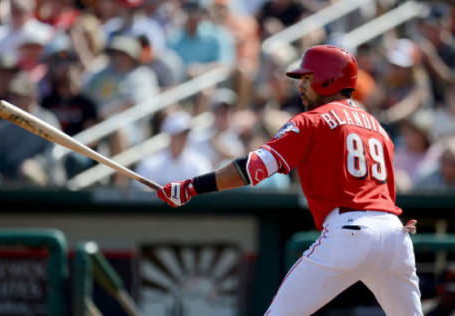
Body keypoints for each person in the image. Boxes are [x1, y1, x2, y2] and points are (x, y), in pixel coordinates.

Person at [157, 45, 423, 315]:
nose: (301, 86)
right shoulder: (378, 128)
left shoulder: (311, 120)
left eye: (308, 78)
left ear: (328, 79)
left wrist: (190, 187)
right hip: (395, 235)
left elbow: (251, 169)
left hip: (349, 231)